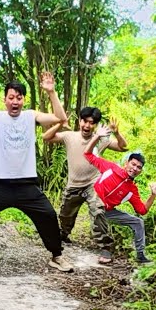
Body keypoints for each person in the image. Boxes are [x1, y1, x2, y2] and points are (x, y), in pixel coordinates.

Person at [0, 70, 74, 272]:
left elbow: (59, 118)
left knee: (48, 216)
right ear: (5, 99)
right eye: (11, 97)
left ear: (23, 100)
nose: (15, 101)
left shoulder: (31, 116)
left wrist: (51, 92)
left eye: (19, 97)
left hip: (26, 185)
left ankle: (56, 256)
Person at [41, 106, 127, 250]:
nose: (87, 125)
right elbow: (46, 137)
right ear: (80, 121)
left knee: (98, 210)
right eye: (84, 121)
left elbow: (122, 147)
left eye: (91, 122)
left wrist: (117, 133)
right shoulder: (70, 136)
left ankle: (105, 246)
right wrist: (60, 124)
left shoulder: (102, 139)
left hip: (94, 183)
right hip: (74, 184)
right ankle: (64, 233)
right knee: (65, 215)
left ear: (96, 125)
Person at [82, 125, 156, 265]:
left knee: (138, 222)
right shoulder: (111, 168)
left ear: (140, 171)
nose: (134, 169)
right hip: (93, 200)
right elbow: (88, 154)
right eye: (133, 164)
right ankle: (104, 249)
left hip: (108, 212)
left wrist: (153, 195)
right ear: (126, 163)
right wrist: (97, 136)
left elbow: (141, 211)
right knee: (96, 206)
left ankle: (141, 255)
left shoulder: (132, 190)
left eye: (138, 168)